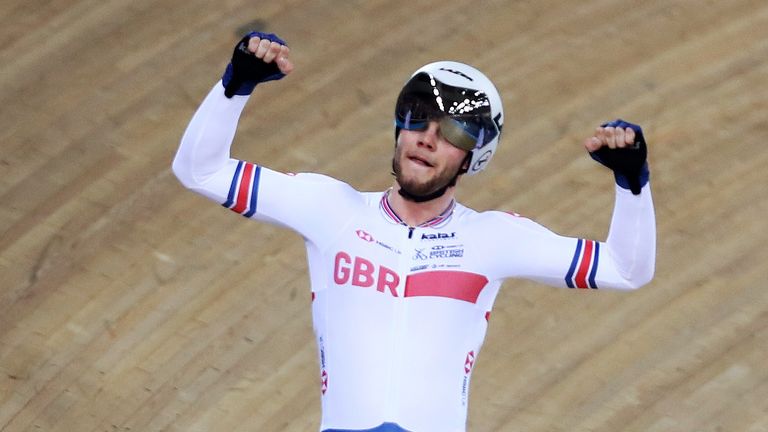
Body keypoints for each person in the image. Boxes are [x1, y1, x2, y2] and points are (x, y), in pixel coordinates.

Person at [172, 32, 655, 432]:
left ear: (474, 157)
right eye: (417, 117)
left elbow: (626, 269)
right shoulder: (330, 208)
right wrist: (235, 86)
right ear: (398, 128)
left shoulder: (492, 240)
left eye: (455, 132)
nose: (428, 136)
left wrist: (631, 183)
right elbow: (199, 171)